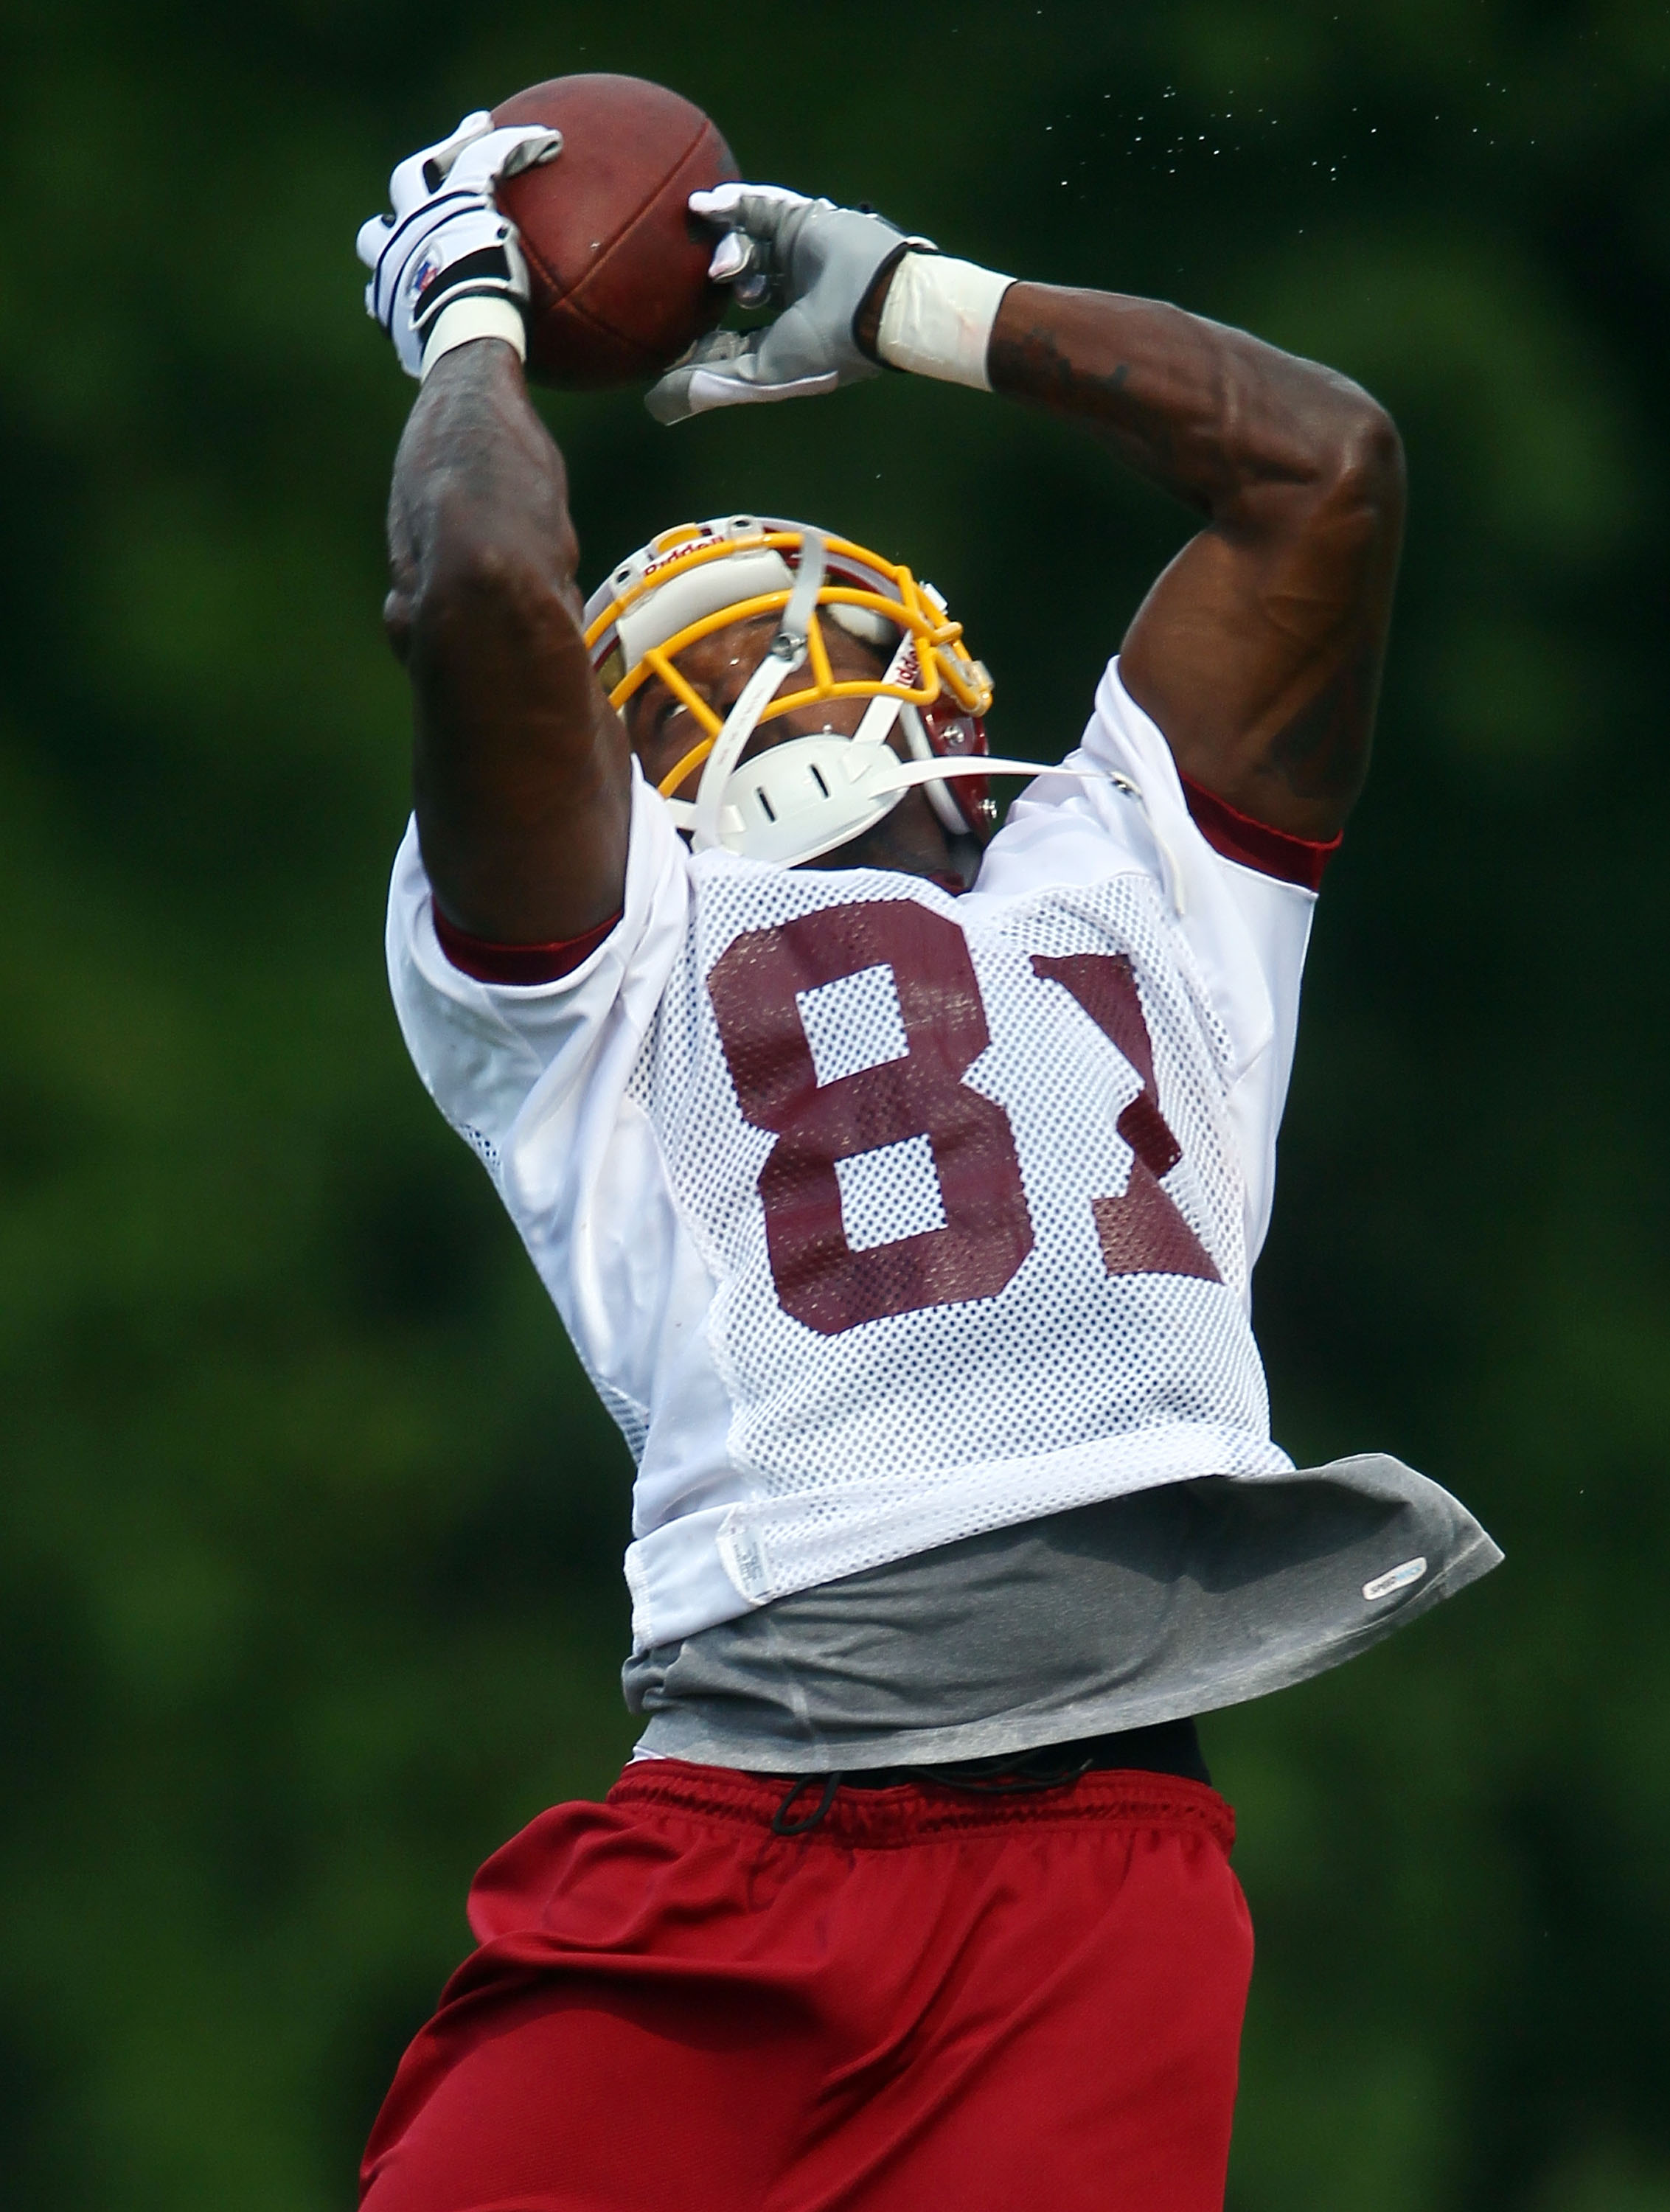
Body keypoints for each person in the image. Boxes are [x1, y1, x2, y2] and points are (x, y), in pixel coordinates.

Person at [354, 115, 1500, 2212]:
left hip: (1011, 1844)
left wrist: (478, 326)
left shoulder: (714, 926)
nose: (780, 674)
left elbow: (486, 574)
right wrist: (902, 309)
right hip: (890, 1823)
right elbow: (1314, 461)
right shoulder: (695, 948)